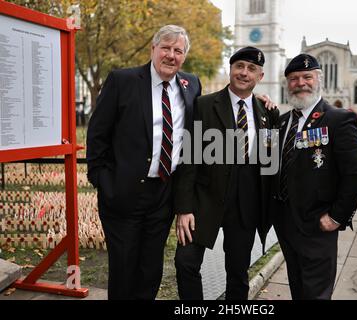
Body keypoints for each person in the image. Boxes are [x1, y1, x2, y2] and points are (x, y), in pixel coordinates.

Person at [86, 25, 202, 300]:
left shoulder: (191, 84)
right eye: (166, 48)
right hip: (123, 194)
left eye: (178, 50)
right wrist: (101, 179)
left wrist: (254, 99)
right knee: (124, 270)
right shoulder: (122, 80)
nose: (171, 55)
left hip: (163, 195)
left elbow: (216, 108)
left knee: (151, 271)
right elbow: (97, 134)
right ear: (153, 49)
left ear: (184, 56)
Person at [173, 46, 279, 300]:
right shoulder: (204, 105)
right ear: (230, 69)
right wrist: (184, 208)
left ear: (260, 76)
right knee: (186, 263)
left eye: (251, 69)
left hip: (245, 205)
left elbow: (271, 163)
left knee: (237, 272)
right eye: (239, 66)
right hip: (203, 201)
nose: (244, 73)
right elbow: (189, 160)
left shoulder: (268, 113)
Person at [271, 53, 357, 300]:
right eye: (293, 78)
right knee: (297, 285)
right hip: (285, 222)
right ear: (287, 84)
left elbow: (356, 175)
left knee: (316, 292)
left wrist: (337, 216)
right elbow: (267, 164)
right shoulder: (281, 123)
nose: (300, 83)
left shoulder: (338, 119)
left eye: (307, 77)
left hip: (318, 223)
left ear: (318, 80)